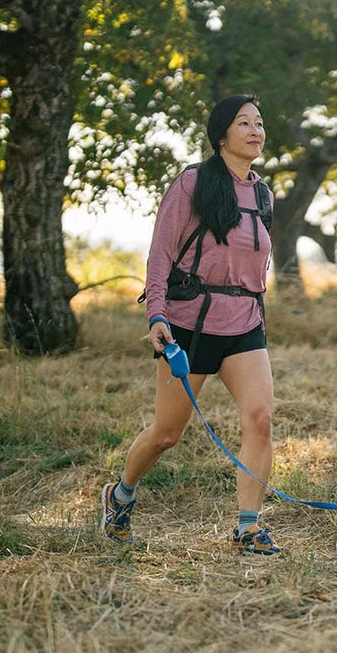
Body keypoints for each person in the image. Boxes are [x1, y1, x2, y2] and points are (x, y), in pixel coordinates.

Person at [101, 94, 281, 554]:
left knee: (260, 421)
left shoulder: (263, 194)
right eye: (244, 123)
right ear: (221, 134)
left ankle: (247, 527)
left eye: (259, 123)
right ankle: (120, 494)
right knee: (167, 434)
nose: (255, 130)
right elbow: (160, 253)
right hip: (189, 326)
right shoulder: (192, 184)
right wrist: (156, 315)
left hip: (245, 324)